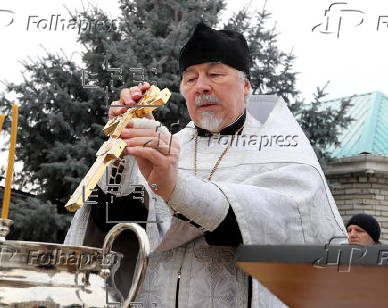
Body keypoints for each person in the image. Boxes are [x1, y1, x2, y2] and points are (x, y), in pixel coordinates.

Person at [65, 22, 347, 308]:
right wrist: (123, 150)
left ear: (246, 86)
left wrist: (175, 187)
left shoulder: (280, 145)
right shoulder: (172, 145)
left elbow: (268, 225)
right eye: (190, 79)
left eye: (215, 74)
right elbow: (118, 224)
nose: (201, 86)